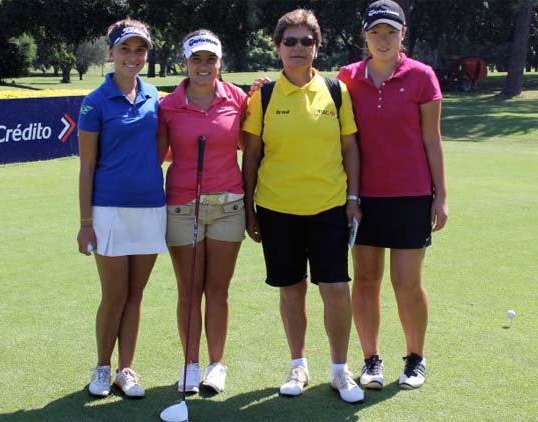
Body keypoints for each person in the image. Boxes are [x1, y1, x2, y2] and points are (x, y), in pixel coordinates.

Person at [242, 9, 364, 404]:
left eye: (306, 41)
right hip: (277, 210)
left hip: (329, 207)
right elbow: (253, 156)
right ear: (278, 47)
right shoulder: (263, 95)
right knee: (291, 290)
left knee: (335, 288)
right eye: (290, 41)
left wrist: (353, 199)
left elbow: (350, 147)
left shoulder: (336, 91)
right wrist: (249, 209)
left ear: (317, 46)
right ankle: (298, 364)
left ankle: (340, 371)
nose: (298, 48)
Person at [337, 0, 448, 390]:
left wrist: (441, 196)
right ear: (364, 36)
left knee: (406, 282)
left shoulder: (422, 77)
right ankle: (371, 361)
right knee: (365, 280)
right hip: (362, 197)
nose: (383, 40)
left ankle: (415, 358)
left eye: (390, 32)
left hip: (412, 194)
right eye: (375, 32)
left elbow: (432, 140)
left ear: (403, 34)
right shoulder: (347, 77)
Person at [77, 19, 166, 399]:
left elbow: (162, 148)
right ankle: (101, 367)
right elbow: (86, 166)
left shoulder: (154, 96)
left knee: (135, 295)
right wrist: (85, 223)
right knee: (113, 295)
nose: (133, 57)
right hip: (108, 210)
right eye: (125, 50)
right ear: (111, 53)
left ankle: (125, 370)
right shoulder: (95, 102)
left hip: (150, 207)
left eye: (140, 50)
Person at [157, 29, 247, 394]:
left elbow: (250, 145)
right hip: (182, 208)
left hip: (229, 207)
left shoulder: (238, 99)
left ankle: (215, 366)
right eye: (197, 59)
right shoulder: (167, 106)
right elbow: (158, 155)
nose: (204, 66)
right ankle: (190, 365)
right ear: (185, 63)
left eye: (210, 59)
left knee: (218, 290)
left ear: (220, 62)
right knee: (189, 290)